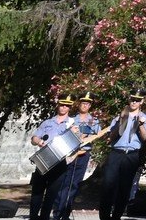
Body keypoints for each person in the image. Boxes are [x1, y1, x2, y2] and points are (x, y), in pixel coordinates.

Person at [98, 90, 146, 220]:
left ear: (141, 102)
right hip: (116, 153)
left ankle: (117, 216)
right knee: (108, 184)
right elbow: (112, 137)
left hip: (132, 155)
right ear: (129, 100)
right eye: (132, 99)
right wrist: (121, 120)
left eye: (137, 100)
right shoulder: (120, 116)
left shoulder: (145, 118)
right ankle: (104, 216)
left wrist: (140, 124)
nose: (134, 102)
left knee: (125, 187)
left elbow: (145, 138)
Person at [53, 91, 104, 220]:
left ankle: (66, 213)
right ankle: (57, 212)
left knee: (75, 185)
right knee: (63, 183)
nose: (84, 106)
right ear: (79, 104)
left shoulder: (93, 121)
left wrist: (87, 137)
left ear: (90, 106)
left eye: (87, 104)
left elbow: (97, 135)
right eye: (83, 103)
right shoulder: (71, 119)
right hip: (69, 154)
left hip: (83, 155)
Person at [28, 95, 77, 220]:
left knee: (52, 193)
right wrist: (38, 141)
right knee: (37, 191)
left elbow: (77, 142)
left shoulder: (73, 124)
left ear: (70, 108)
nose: (64, 107)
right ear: (58, 105)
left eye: (67, 105)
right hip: (44, 158)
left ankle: (44, 217)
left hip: (60, 161)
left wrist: (75, 133)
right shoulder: (47, 122)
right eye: (62, 104)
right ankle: (33, 216)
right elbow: (34, 138)